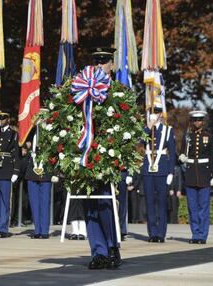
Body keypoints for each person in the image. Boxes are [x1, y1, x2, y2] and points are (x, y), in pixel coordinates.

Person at [83, 47, 121, 270]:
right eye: (96, 61)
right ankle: (98, 252)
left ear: (112, 65)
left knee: (106, 203)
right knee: (89, 203)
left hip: (108, 156)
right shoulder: (82, 88)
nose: (99, 65)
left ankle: (112, 246)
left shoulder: (117, 90)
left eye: (104, 61)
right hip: (86, 153)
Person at [179, 110, 213, 244]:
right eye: (194, 120)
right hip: (190, 175)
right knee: (192, 207)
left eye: (199, 120)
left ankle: (202, 235)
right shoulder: (187, 136)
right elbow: (182, 154)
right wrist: (181, 158)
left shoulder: (210, 137)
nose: (197, 122)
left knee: (203, 207)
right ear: (191, 121)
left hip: (205, 175)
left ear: (203, 121)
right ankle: (195, 234)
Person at [142, 104, 176, 243]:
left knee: (161, 202)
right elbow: (140, 141)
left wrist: (171, 172)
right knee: (149, 202)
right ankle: (152, 233)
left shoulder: (168, 130)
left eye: (157, 112)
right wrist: (149, 126)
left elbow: (172, 153)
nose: (155, 114)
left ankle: (161, 234)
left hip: (162, 168)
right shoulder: (146, 130)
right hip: (148, 169)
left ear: (162, 114)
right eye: (153, 112)